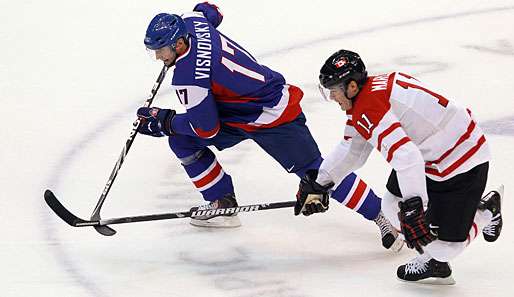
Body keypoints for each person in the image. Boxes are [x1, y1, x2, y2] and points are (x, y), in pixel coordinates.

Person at [137, 3, 402, 250]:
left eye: (161, 50)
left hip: (273, 114)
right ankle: (222, 203)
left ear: (180, 43)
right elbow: (212, 12)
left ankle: (383, 216)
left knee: (317, 174)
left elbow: (206, 129)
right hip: (237, 109)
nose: (158, 56)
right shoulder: (193, 21)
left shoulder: (189, 76)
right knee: (182, 141)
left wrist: (166, 121)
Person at [296, 49, 504, 284]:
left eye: (334, 90)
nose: (332, 97)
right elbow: (352, 150)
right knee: (392, 205)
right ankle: (433, 258)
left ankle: (486, 212)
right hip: (431, 153)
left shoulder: (369, 106)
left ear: (352, 87)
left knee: (445, 250)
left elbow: (407, 158)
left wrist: (416, 207)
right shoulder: (369, 95)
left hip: (463, 158)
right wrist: (319, 182)